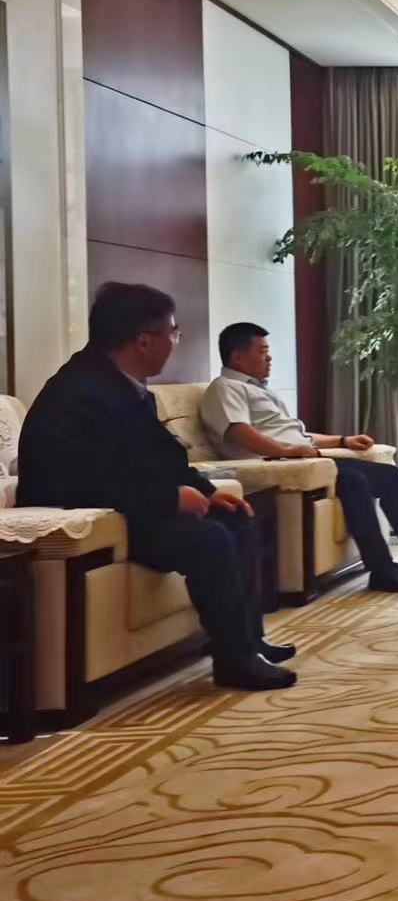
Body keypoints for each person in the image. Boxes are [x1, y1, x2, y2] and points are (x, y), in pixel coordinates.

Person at [17, 284, 296, 691]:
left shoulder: (119, 381)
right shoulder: (78, 393)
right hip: (97, 517)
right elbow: (76, 483)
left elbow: (160, 457)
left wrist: (204, 489)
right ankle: (234, 661)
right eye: (174, 331)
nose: (177, 340)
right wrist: (168, 497)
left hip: (129, 504)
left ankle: (248, 641)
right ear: (144, 341)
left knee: (234, 516)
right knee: (209, 540)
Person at [200, 322, 398, 593]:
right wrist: (286, 452)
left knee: (389, 475)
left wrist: (342, 440)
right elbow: (238, 432)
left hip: (305, 459)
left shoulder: (259, 390)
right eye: (262, 351)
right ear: (237, 356)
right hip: (283, 465)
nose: (269, 358)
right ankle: (382, 570)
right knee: (354, 481)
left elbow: (298, 435)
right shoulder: (225, 388)